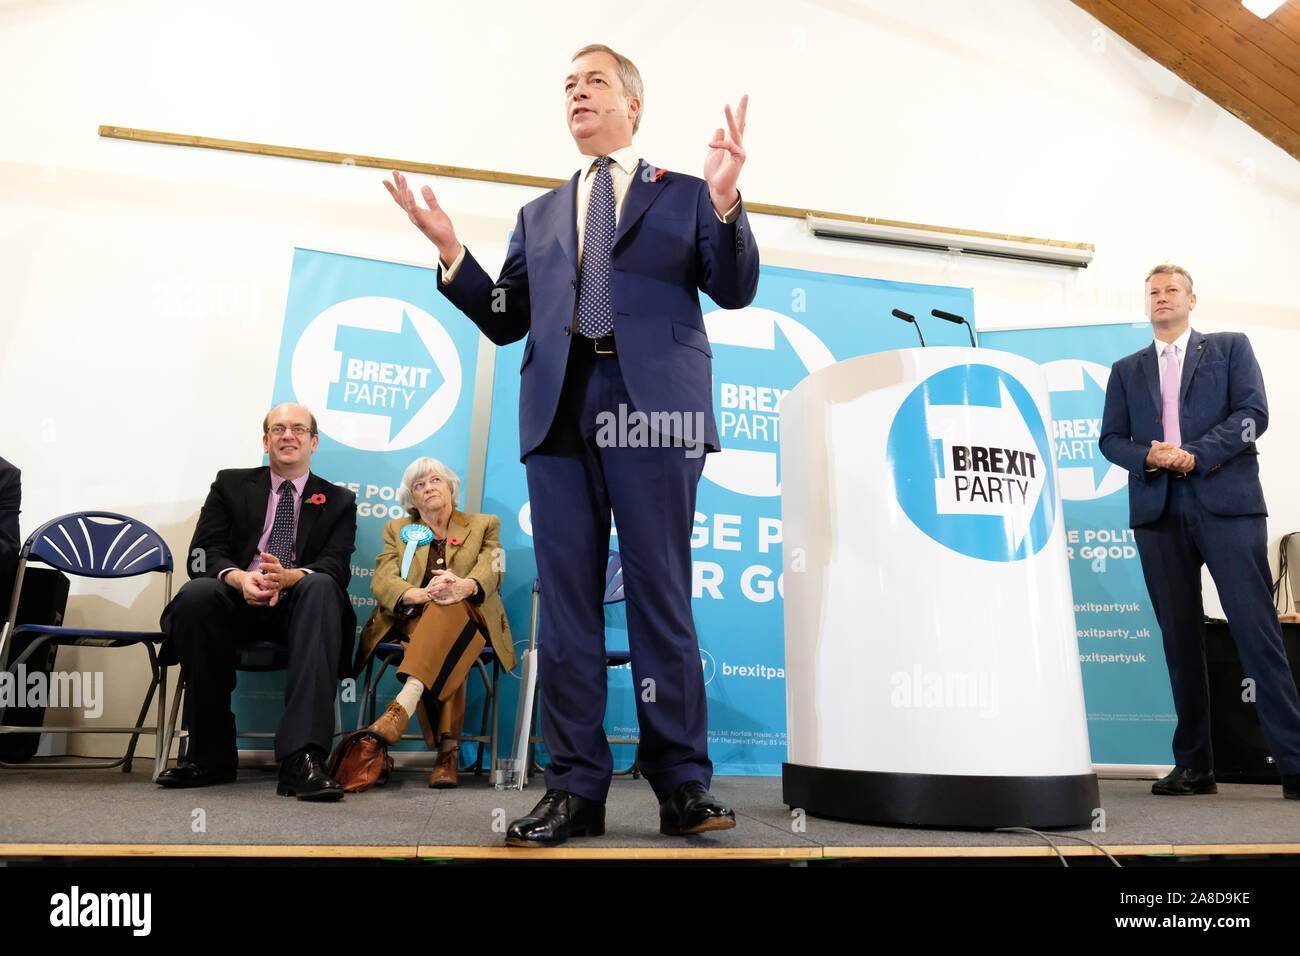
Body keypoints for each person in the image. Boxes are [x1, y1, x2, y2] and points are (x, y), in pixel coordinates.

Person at [384, 44, 758, 845]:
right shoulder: (540, 214)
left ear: (633, 106)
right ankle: (575, 788)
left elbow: (733, 287)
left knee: (660, 595)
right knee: (568, 610)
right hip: (559, 413)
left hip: (655, 411)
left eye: (593, 82)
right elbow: (505, 317)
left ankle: (681, 783)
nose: (576, 94)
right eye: (567, 86)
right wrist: (453, 252)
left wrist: (726, 206)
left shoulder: (688, 193)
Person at [1099, 264, 1300, 800]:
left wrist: (1195, 455)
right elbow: (1110, 439)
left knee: (1257, 634)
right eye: (1154, 292)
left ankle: (1295, 764)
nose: (1162, 298)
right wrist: (1149, 454)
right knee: (1180, 641)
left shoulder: (1231, 348)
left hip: (1226, 504)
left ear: (1192, 299)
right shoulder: (1125, 369)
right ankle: (1194, 766)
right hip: (1158, 511)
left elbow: (1253, 415)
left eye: (1171, 291)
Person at [157, 403, 358, 800]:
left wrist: (292, 577)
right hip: (233, 603)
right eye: (278, 429)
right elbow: (202, 554)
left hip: (299, 606)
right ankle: (210, 755)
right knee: (198, 594)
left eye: (299, 429)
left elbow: (336, 566)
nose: (288, 436)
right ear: (265, 441)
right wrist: (238, 577)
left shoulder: (338, 500)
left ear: (313, 442)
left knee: (321, 588)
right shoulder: (229, 485)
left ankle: (303, 760)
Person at [355, 457, 516, 788]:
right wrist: (419, 594)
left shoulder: (484, 524)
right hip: (413, 618)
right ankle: (447, 753)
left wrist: (465, 586)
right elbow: (383, 578)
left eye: (435, 481)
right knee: (450, 630)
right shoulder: (397, 530)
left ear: (451, 488)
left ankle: (403, 704)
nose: (428, 488)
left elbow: (494, 566)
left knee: (451, 610)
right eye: (419, 485)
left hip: (471, 613)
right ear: (411, 499)